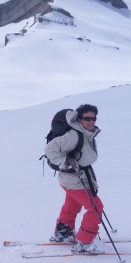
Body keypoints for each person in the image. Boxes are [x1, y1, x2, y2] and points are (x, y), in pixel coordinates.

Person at [45, 104, 103, 253]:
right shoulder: (74, 135)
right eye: (87, 118)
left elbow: (86, 162)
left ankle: (63, 234)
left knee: (73, 206)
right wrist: (64, 163)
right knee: (95, 207)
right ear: (79, 119)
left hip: (78, 179)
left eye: (93, 118)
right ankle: (85, 243)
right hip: (73, 180)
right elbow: (50, 149)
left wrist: (93, 183)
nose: (91, 121)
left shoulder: (88, 134)